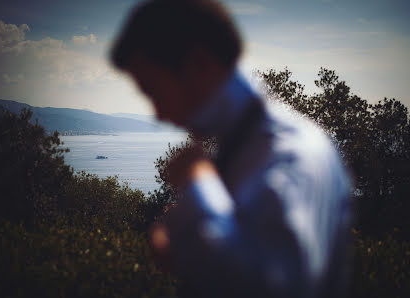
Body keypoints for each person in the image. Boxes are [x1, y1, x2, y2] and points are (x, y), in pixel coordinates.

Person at [111, 0, 351, 297]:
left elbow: (278, 286)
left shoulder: (291, 154)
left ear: (199, 64)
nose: (158, 114)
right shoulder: (245, 144)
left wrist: (199, 185)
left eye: (154, 91)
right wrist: (188, 251)